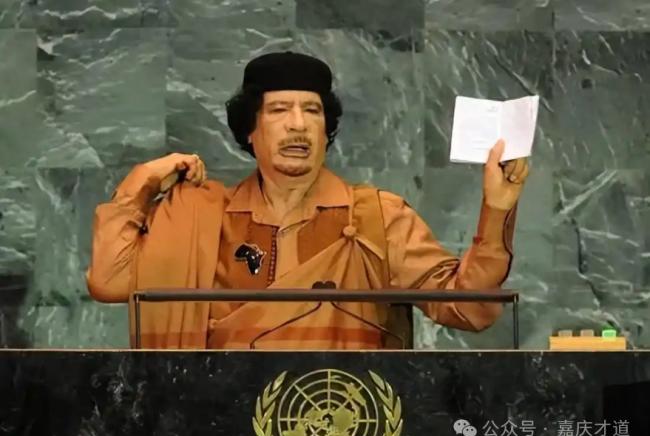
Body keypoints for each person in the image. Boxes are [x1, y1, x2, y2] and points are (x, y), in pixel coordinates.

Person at [86, 51, 529, 350]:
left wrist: (496, 209)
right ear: (250, 130)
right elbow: (109, 282)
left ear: (326, 129)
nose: (298, 125)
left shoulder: (377, 217)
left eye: (312, 111)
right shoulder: (205, 219)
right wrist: (143, 181)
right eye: (280, 110)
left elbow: (470, 308)